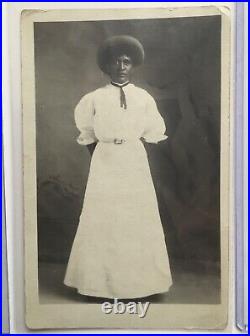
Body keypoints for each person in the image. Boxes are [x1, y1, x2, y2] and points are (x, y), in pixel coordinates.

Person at [64, 35, 172, 299]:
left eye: (126, 61)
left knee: (136, 216)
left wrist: (131, 153)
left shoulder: (143, 97)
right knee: (104, 216)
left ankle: (141, 284)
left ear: (132, 65)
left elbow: (153, 132)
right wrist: (105, 155)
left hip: (134, 160)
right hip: (105, 160)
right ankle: (98, 284)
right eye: (116, 61)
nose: (122, 66)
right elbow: (87, 133)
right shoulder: (94, 98)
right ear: (108, 66)